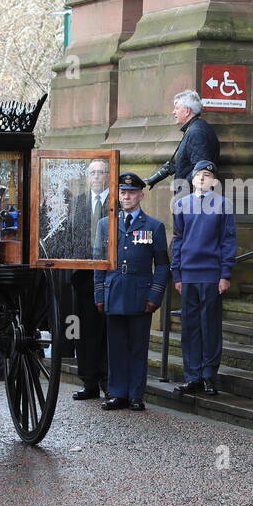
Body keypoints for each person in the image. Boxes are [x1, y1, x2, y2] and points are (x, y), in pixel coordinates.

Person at [93, 173, 170, 411]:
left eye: (132, 192)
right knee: (115, 347)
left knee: (138, 346)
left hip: (140, 293)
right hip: (114, 291)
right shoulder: (105, 224)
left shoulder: (154, 226)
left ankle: (136, 394)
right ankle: (117, 393)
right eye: (123, 192)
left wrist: (155, 295)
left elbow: (163, 264)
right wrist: (99, 294)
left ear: (141, 196)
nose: (127, 197)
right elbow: (99, 261)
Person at [171, 161, 237, 395]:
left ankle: (209, 374)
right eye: (198, 175)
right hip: (188, 274)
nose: (201, 179)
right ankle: (192, 375)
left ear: (214, 181)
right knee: (190, 327)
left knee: (210, 325)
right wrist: (177, 272)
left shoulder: (223, 205)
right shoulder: (181, 205)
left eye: (207, 175)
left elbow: (228, 241)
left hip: (211, 273)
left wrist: (225, 274)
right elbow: (178, 240)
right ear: (191, 179)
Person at [69, 158, 112, 400]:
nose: (96, 177)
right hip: (83, 275)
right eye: (92, 173)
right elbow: (71, 235)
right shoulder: (78, 201)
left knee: (105, 329)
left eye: (101, 172)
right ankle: (89, 381)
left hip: (107, 274)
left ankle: (107, 379)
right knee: (83, 330)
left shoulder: (115, 201)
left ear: (108, 175)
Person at [144, 91, 220, 195]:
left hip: (193, 199)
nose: (173, 112)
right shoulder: (194, 128)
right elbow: (184, 163)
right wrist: (154, 178)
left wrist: (181, 193)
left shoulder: (196, 132)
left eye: (177, 108)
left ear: (187, 111)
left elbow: (201, 170)